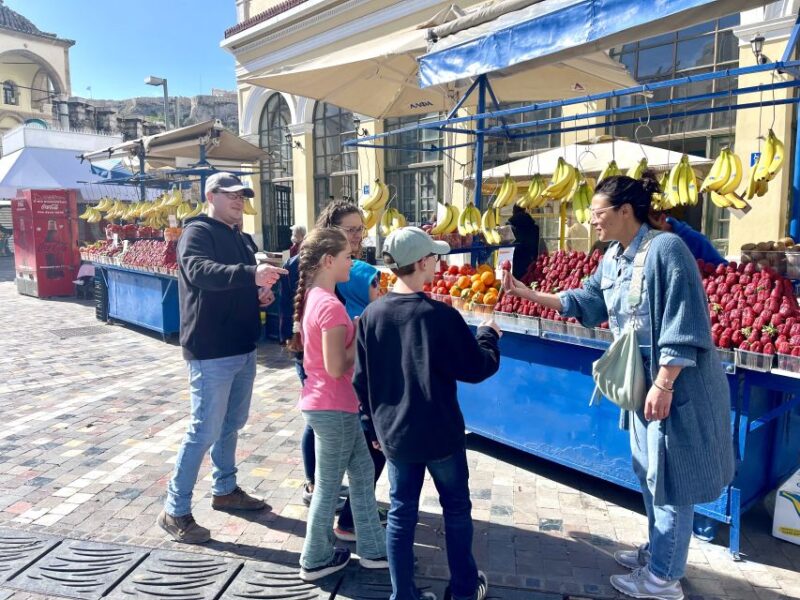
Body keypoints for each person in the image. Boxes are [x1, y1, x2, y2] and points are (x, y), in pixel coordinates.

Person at [502, 173, 734, 600]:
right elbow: (586, 300)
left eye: (598, 213)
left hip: (676, 386)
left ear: (626, 211)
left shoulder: (667, 250)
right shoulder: (614, 256)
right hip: (641, 385)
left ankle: (663, 579)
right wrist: (527, 293)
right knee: (648, 473)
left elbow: (685, 322)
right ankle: (661, 551)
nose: (591, 220)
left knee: (671, 479)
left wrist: (664, 384)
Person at [353, 227, 501, 600]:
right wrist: (488, 335)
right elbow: (477, 367)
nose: (437, 262)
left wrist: (371, 427)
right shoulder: (440, 316)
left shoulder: (371, 315)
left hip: (396, 435)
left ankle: (403, 595)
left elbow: (361, 381)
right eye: (434, 257)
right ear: (421, 263)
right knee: (456, 509)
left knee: (401, 514)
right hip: (441, 435)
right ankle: (464, 590)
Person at [157, 172, 287, 544]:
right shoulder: (197, 232)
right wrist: (251, 274)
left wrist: (259, 294)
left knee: (231, 424)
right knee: (204, 430)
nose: (238, 201)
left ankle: (225, 489)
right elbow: (201, 273)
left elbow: (237, 284)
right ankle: (174, 510)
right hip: (211, 349)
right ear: (211, 196)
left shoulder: (242, 238)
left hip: (242, 346)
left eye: (242, 196)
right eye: (231, 195)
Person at [281, 200, 386, 538]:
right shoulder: (322, 289)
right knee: (330, 481)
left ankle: (364, 537)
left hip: (330, 385)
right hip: (330, 385)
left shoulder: (334, 277)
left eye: (360, 229)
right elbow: (335, 363)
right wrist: (359, 332)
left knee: (361, 466)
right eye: (350, 230)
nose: (357, 236)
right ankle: (318, 550)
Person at [648, 211, 727, 266]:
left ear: (662, 219)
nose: (646, 237)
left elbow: (722, 267)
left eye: (649, 230)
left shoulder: (696, 240)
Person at [507, 204, 540, 280]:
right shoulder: (534, 227)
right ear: (525, 210)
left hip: (513, 262)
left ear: (513, 212)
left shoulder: (509, 227)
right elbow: (537, 246)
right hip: (529, 262)